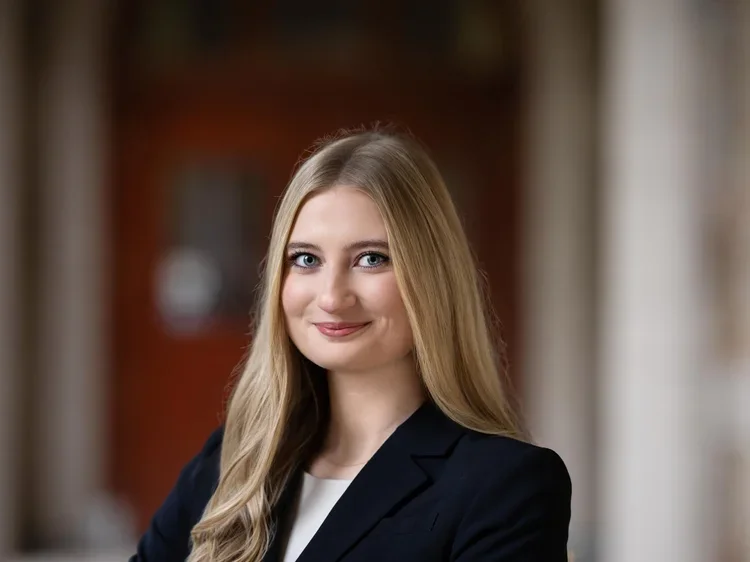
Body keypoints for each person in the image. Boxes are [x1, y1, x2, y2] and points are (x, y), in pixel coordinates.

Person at [130, 129, 571, 562]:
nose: (331, 297)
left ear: (432, 278)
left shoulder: (505, 485)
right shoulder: (233, 461)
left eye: (371, 259)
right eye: (306, 259)